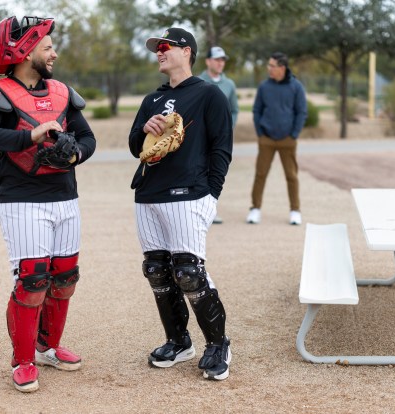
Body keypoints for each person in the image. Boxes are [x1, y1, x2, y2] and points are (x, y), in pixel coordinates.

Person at [0, 16, 96, 393]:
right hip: (21, 198)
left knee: (65, 276)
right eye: (47, 46)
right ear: (24, 51)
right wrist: (31, 135)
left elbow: (87, 137)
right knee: (33, 279)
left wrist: (75, 155)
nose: (54, 53)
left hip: (64, 195)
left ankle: (48, 347)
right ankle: (22, 360)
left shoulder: (61, 92)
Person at [128, 28, 233, 380]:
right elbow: (135, 146)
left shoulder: (208, 95)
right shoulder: (151, 100)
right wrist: (146, 128)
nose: (158, 52)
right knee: (157, 269)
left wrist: (211, 193)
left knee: (189, 272)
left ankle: (218, 345)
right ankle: (178, 341)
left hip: (188, 194)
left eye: (165, 47)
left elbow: (221, 148)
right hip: (148, 193)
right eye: (156, 48)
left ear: (186, 51)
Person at [246, 52, 307, 225]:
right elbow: (257, 110)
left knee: (291, 176)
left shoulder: (296, 87)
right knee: (260, 174)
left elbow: (301, 112)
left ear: (282, 68)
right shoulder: (264, 86)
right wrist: (260, 132)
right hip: (266, 138)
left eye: (272, 66)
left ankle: (295, 211)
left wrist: (294, 134)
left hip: (288, 139)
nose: (269, 68)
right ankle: (255, 209)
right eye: (269, 65)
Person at [198, 46, 239, 224]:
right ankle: (198, 208)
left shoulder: (229, 84)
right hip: (200, 137)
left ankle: (211, 209)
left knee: (217, 172)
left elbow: (234, 110)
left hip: (220, 138)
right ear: (208, 61)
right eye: (217, 59)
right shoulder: (197, 81)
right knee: (199, 171)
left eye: (222, 60)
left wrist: (227, 129)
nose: (220, 63)